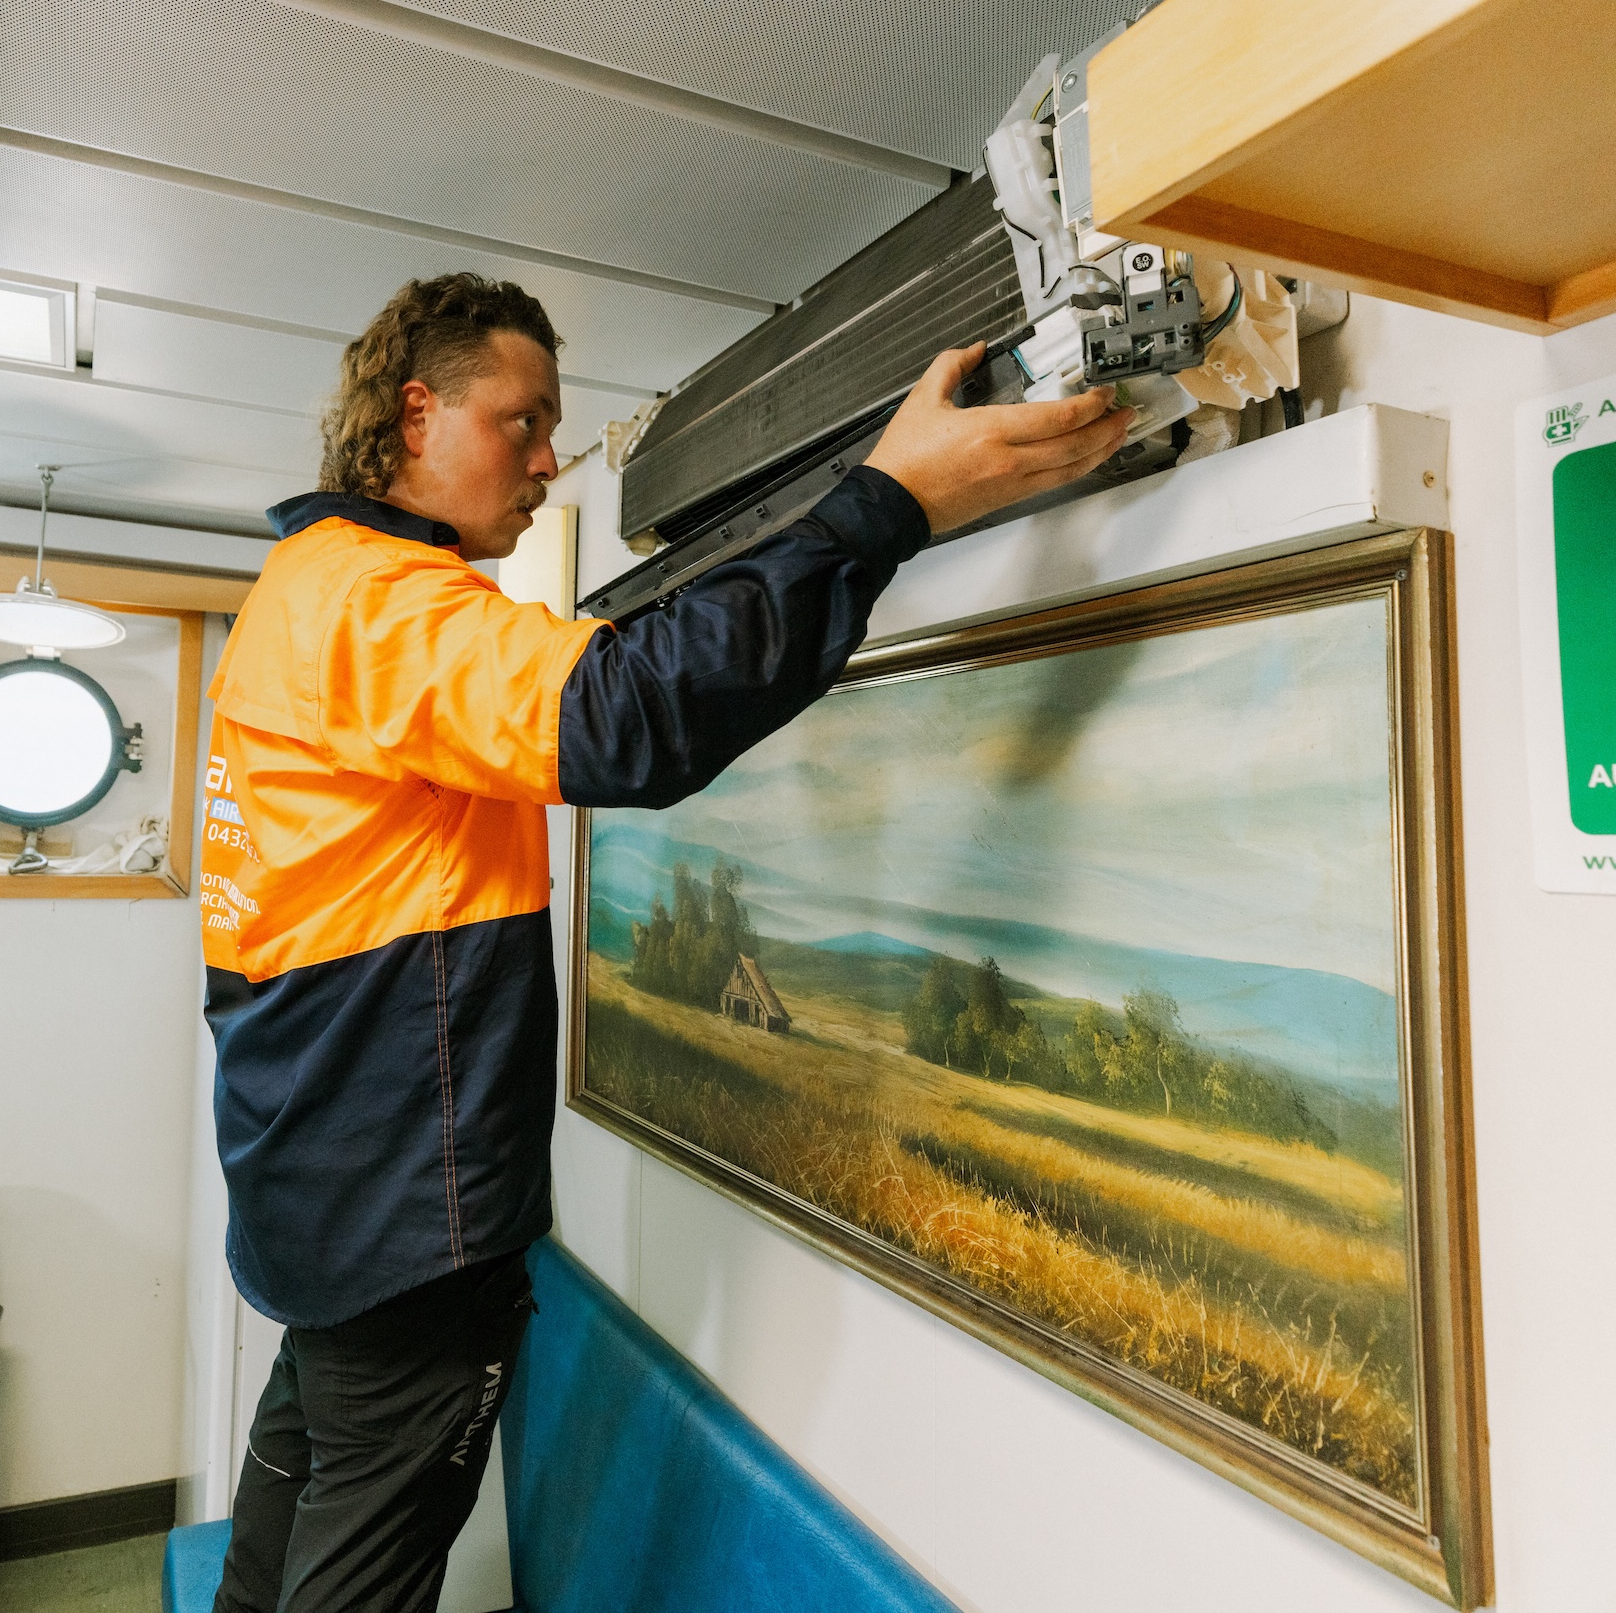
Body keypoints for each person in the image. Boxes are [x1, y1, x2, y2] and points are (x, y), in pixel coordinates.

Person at [200, 274, 1130, 1613]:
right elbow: (626, 709)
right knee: (365, 1574)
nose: (545, 460)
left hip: (309, 1179)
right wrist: (892, 504)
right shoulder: (383, 605)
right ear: (419, 411)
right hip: (402, 1205)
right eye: (522, 422)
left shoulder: (298, 589)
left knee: (291, 1506)